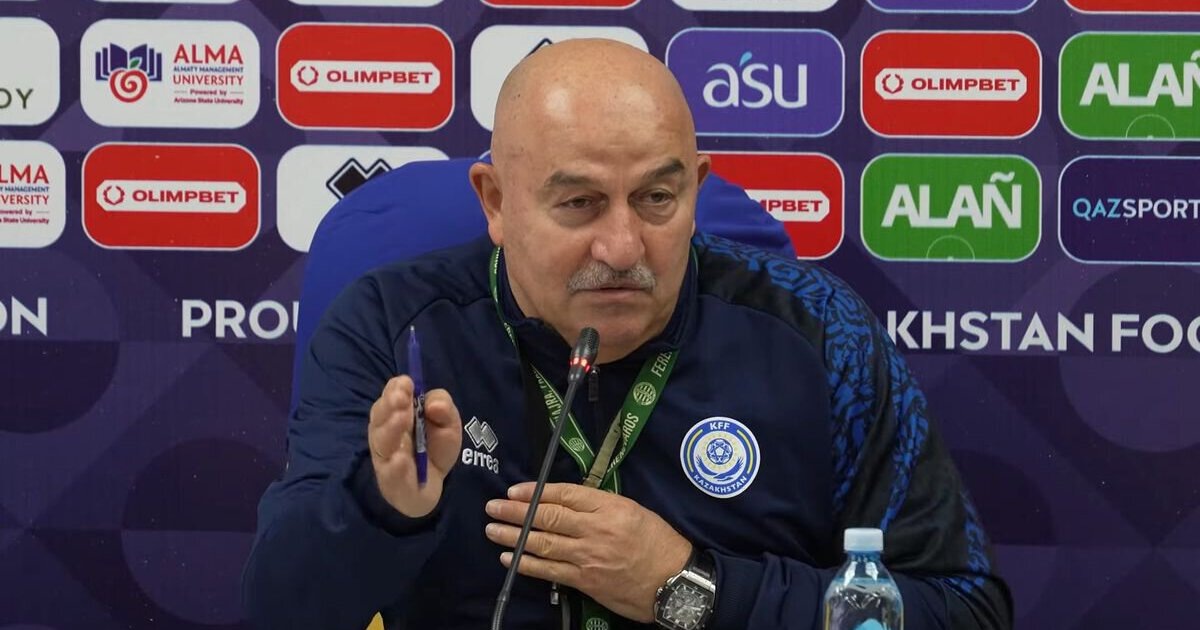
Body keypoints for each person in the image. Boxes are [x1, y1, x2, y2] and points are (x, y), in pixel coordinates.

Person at [242, 39, 1013, 630]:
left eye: (656, 199)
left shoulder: (817, 329)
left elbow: (963, 611)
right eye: (579, 203)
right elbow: (282, 610)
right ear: (496, 201)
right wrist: (381, 509)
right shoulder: (394, 325)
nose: (621, 247)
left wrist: (689, 587)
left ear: (696, 190)